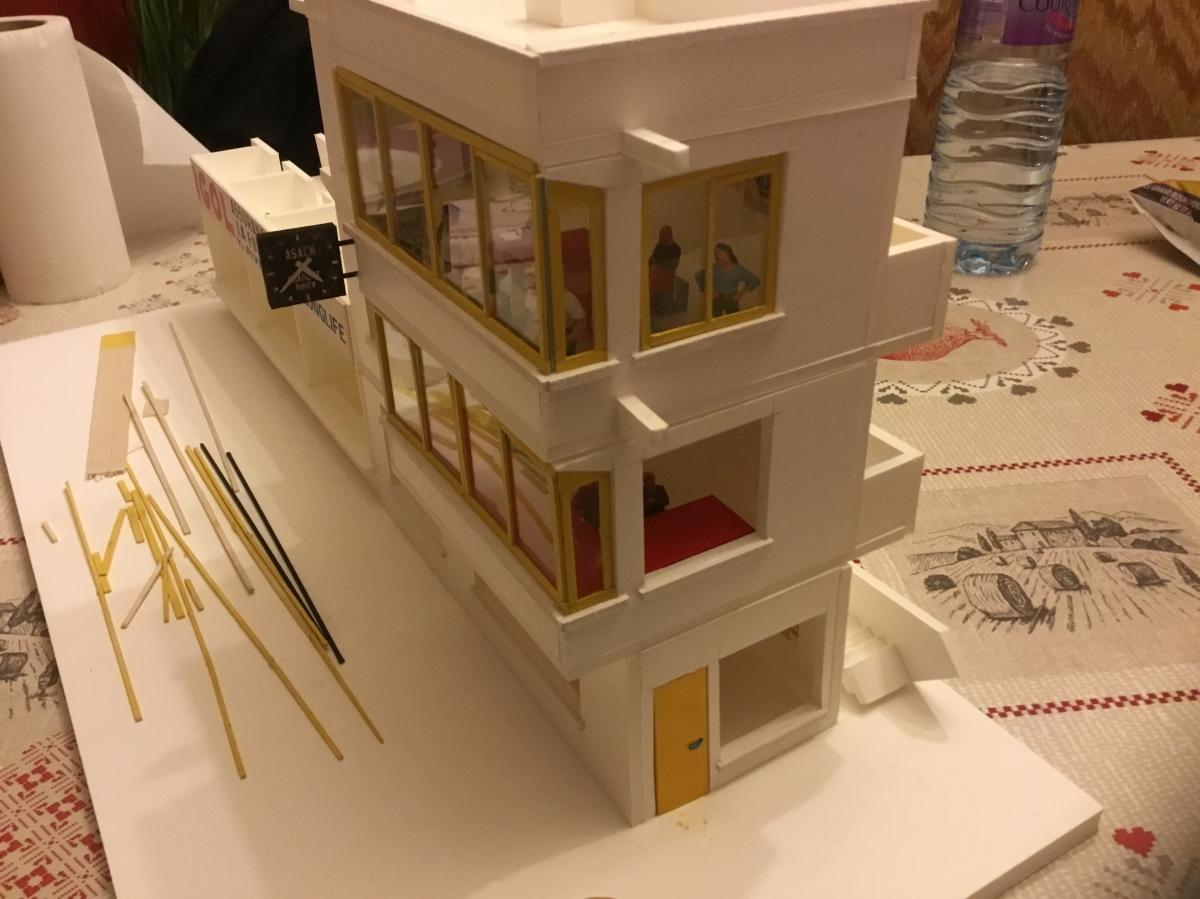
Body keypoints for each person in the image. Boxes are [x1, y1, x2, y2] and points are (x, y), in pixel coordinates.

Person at [695, 242, 760, 317]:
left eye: (721, 254)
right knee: (714, 319)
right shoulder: (715, 267)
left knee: (733, 319)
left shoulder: (738, 269)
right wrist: (708, 291)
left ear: (728, 254)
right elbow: (699, 276)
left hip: (732, 299)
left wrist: (740, 293)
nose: (719, 257)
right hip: (717, 299)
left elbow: (754, 281)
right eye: (717, 254)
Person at [648, 225, 684, 317]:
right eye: (660, 235)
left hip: (667, 275)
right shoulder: (659, 245)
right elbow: (653, 257)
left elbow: (672, 265)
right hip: (655, 270)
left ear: (669, 235)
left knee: (651, 282)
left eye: (663, 235)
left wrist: (657, 266)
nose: (660, 238)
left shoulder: (676, 249)